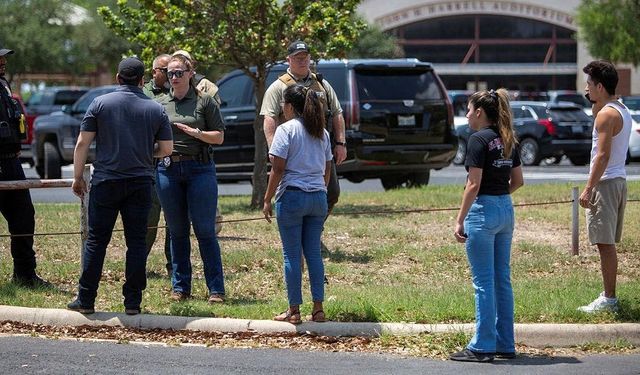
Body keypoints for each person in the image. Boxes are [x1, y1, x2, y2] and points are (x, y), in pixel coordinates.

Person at [67, 57, 173, 315]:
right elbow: (167, 149)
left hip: (106, 181)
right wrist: (147, 154)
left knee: (96, 241)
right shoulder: (155, 109)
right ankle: (133, 302)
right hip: (140, 182)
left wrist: (77, 176)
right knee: (136, 242)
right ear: (142, 80)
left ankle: (86, 298)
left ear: (117, 78)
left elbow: (82, 143)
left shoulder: (100, 104)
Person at [450, 88, 523, 362]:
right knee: (501, 279)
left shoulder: (478, 139)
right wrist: (499, 198)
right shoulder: (507, 138)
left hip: (483, 211)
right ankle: (505, 343)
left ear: (479, 112)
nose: (467, 115)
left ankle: (482, 346)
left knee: (483, 282)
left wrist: (459, 220)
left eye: (468, 110)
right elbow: (517, 181)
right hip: (505, 208)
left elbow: (473, 184)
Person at [155, 54, 226, 304]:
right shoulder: (160, 103)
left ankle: (216, 289)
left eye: (179, 73)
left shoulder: (205, 101)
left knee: (205, 231)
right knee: (177, 231)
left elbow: (219, 137)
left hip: (200, 169)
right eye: (170, 73)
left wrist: (196, 133)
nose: (174, 77)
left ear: (190, 73)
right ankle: (180, 287)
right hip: (168, 170)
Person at [262, 84, 332, 324]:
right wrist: (320, 188)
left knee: (291, 255)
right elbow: (328, 167)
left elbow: (278, 168)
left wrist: (267, 198)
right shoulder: (322, 132)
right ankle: (319, 309)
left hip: (292, 195)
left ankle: (294, 311)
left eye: (284, 104)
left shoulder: (285, 130)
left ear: (290, 106)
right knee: (313, 253)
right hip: (317, 198)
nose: (282, 108)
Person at [261, 40, 346, 216]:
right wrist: (273, 148)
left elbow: (337, 113)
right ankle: (298, 228)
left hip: (319, 147)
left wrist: (340, 143)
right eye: (297, 57)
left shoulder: (321, 84)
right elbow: (269, 118)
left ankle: (315, 227)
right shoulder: (279, 87)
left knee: (331, 192)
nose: (302, 61)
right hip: (292, 149)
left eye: (305, 57)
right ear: (288, 60)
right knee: (293, 192)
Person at [578, 61, 632, 313]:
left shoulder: (606, 115)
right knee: (606, 242)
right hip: (618, 180)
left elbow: (602, 155)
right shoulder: (620, 109)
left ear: (600, 86)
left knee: (604, 243)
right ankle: (609, 296)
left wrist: (589, 187)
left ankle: (609, 299)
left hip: (606, 182)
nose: (586, 89)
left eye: (589, 84)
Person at [0, 44, 49, 288]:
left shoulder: (4, 85)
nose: (3, 62)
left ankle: (25, 274)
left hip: (11, 162)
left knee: (23, 218)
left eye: (4, 59)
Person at [143, 53, 173, 275]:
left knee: (175, 222)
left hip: (174, 164)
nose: (172, 75)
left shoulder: (179, 90)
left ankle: (175, 267)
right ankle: (138, 263)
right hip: (152, 164)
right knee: (149, 220)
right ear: (155, 72)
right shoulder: (144, 93)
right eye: (166, 71)